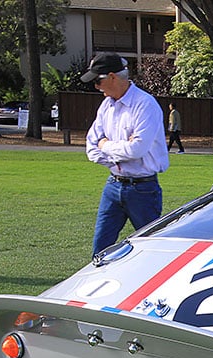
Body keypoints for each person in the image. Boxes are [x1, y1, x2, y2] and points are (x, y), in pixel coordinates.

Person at [83, 53, 169, 257]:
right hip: (113, 185)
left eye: (98, 81)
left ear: (112, 77)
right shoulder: (106, 106)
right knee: (100, 250)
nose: (96, 87)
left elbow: (137, 149)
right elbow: (91, 147)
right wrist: (117, 152)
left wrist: (106, 145)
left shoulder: (145, 105)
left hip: (143, 189)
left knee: (151, 250)